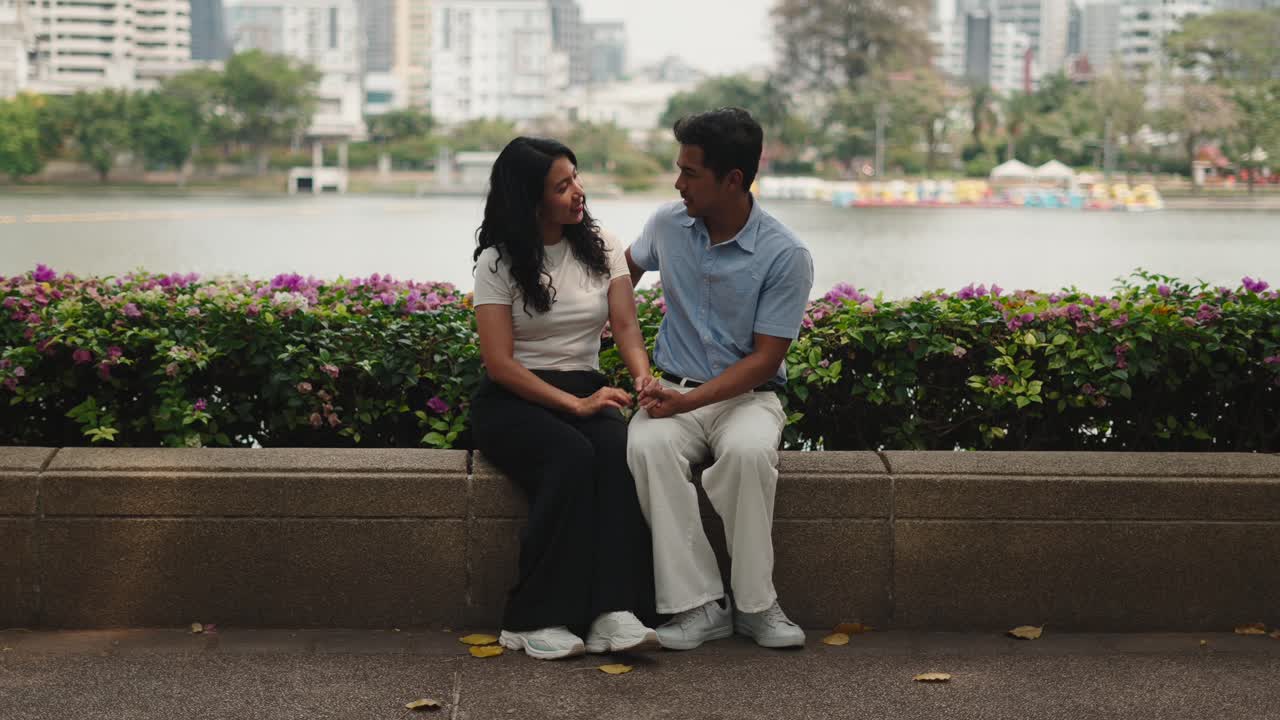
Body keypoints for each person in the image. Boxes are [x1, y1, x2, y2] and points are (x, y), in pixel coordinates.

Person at [625, 108, 814, 650]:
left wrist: (685, 404)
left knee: (749, 455)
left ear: (733, 179)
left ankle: (757, 606)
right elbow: (618, 283)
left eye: (690, 173)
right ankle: (698, 606)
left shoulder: (785, 254)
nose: (678, 184)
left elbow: (764, 360)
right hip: (671, 391)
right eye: (679, 170)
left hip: (748, 400)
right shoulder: (666, 225)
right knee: (646, 447)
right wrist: (637, 367)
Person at [470, 137, 659, 660]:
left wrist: (642, 378)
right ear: (529, 200)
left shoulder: (603, 245)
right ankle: (530, 618)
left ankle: (611, 611)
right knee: (570, 454)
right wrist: (575, 406)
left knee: (618, 451)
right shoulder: (497, 262)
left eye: (575, 178)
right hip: (513, 398)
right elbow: (500, 364)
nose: (578, 192)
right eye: (562, 186)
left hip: (584, 386)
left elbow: (626, 326)